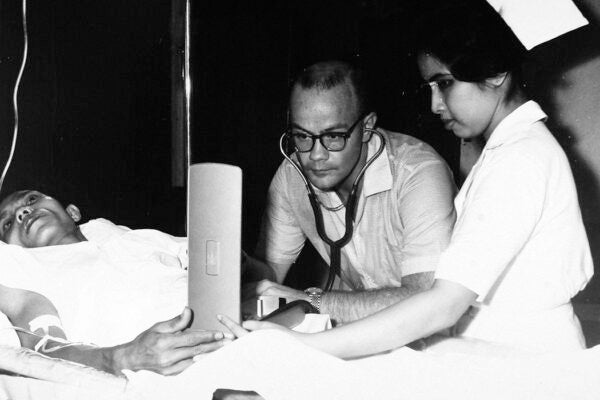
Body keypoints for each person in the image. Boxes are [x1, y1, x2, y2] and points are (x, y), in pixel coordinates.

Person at [236, 0, 593, 355]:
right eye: (431, 88)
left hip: (529, 359)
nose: (434, 104)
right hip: (499, 350)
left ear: (497, 74)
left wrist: (308, 344)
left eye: (445, 84)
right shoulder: (512, 149)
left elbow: (443, 303)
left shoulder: (520, 159)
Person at [247, 60, 457, 324]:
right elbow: (269, 276)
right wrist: (237, 264)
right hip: (365, 333)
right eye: (302, 136)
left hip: (443, 339)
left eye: (333, 136)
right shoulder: (292, 176)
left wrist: (311, 301)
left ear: (367, 127)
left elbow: (425, 301)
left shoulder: (418, 173)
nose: (316, 155)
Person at [0, 189, 230, 376]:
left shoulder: (140, 239)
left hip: (228, 332)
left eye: (31, 199)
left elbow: (237, 265)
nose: (23, 212)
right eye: (7, 224)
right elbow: (43, 352)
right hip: (172, 371)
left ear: (73, 212)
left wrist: (237, 265)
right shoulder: (27, 270)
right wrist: (122, 357)